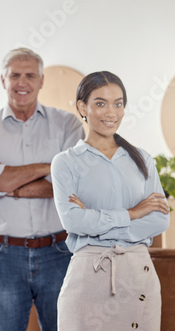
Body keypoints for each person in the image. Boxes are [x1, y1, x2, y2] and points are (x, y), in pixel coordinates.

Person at [0, 48, 84, 331]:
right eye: (15, 75)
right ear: (2, 80)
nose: (22, 83)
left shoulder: (69, 124)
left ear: (41, 80)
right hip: (3, 253)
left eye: (30, 75)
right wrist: (50, 167)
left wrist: (10, 182)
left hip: (58, 250)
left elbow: (69, 186)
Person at [51, 71, 170, 330]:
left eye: (118, 103)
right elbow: (73, 221)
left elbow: (160, 219)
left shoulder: (142, 159)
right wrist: (133, 213)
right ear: (83, 107)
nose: (111, 112)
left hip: (139, 277)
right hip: (88, 279)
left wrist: (96, 220)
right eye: (101, 103)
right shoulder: (66, 162)